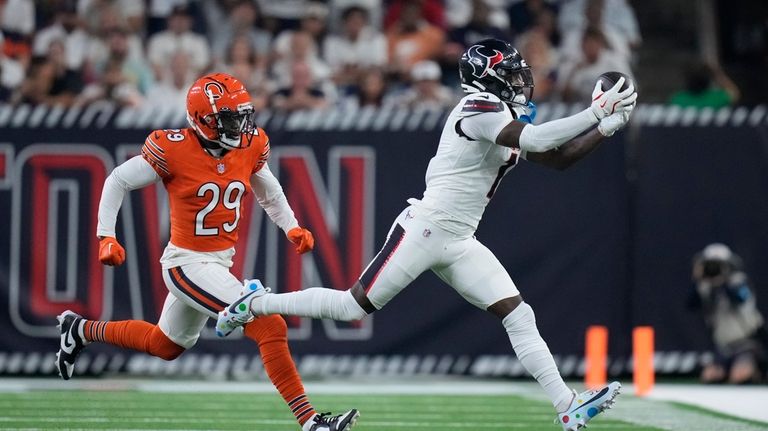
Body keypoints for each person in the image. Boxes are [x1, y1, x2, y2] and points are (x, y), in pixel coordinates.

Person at [217, 39, 637, 431]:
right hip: (427, 226)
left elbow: (558, 159)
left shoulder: (503, 114)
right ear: (489, 77)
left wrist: (607, 127)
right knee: (352, 306)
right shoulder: (478, 107)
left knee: (517, 313)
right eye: (510, 72)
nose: (519, 80)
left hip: (459, 239)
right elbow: (538, 138)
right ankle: (254, 301)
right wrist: (596, 112)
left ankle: (567, 406)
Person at [54, 72, 359, 431]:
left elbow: (268, 189)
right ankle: (311, 422)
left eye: (243, 115)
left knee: (165, 345)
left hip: (217, 262)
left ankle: (80, 330)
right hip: (185, 262)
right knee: (268, 323)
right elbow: (118, 179)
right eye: (231, 118)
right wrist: (105, 235)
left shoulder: (250, 145)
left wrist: (290, 225)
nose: (242, 126)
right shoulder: (173, 149)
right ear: (204, 120)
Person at [689, 243, 768, 384]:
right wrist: (698, 278)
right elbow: (690, 304)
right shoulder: (705, 286)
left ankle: (757, 371)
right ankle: (727, 370)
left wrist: (724, 281)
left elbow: (741, 298)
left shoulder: (739, 282)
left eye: (718, 265)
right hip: (724, 348)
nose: (714, 269)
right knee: (710, 376)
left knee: (740, 376)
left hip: (747, 344)